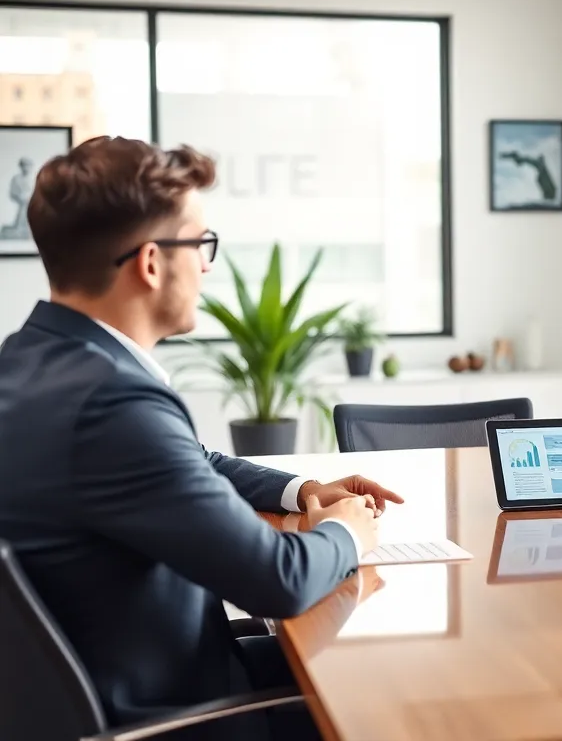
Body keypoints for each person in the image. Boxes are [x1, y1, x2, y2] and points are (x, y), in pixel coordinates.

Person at [0, 136, 404, 741]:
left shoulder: (32, 359)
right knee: (403, 690)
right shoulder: (113, 403)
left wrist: (302, 490)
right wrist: (348, 528)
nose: (208, 264)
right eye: (201, 244)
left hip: (125, 677)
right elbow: (279, 579)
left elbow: (190, 462)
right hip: (170, 716)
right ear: (152, 262)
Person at [3, 156, 34, 238]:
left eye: (28, 165)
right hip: (22, 205)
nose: (26, 168)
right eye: (24, 165)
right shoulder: (16, 179)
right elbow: (12, 193)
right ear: (21, 167)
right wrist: (20, 197)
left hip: (32, 205)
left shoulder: (33, 179)